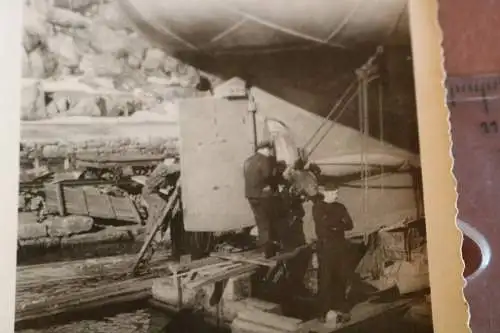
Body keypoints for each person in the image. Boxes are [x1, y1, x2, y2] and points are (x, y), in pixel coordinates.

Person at [312, 185, 354, 324]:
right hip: (325, 249)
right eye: (334, 193)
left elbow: (349, 225)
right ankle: (323, 311)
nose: (336, 195)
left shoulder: (340, 207)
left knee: (341, 277)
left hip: (340, 247)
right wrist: (337, 224)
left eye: (337, 192)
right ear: (325, 193)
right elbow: (324, 223)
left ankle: (341, 307)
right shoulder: (318, 207)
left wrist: (335, 226)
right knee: (325, 280)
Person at [142, 156, 184, 260]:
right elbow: (174, 168)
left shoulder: (169, 169)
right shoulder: (163, 167)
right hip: (152, 193)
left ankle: (154, 245)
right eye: (172, 160)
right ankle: (148, 250)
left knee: (165, 217)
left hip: (158, 194)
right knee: (158, 220)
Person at [244, 141, 279, 258]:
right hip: (263, 196)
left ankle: (263, 249)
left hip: (250, 196)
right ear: (265, 149)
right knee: (268, 223)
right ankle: (269, 252)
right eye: (269, 150)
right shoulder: (264, 160)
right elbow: (267, 176)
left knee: (260, 222)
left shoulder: (248, 161)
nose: (270, 152)